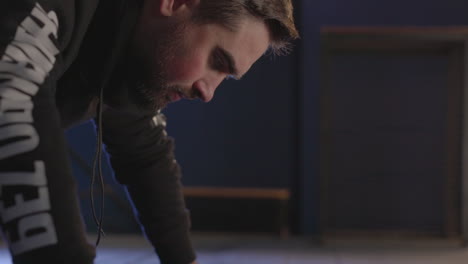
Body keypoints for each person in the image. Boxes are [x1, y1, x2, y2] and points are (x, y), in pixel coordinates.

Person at [0, 0, 299, 263]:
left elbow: (144, 152)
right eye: (217, 61)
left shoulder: (122, 43)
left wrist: (182, 258)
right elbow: (13, 100)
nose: (208, 92)